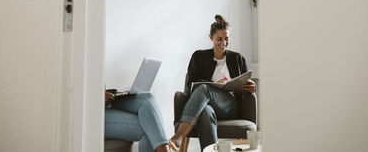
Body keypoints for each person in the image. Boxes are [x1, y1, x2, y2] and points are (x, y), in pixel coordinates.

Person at [169, 15, 255, 151]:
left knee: (204, 88)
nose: (223, 43)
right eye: (219, 39)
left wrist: (250, 88)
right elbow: (191, 83)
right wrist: (215, 83)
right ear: (211, 37)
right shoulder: (198, 56)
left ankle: (178, 137)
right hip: (204, 105)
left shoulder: (238, 58)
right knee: (205, 112)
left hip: (229, 106)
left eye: (227, 39)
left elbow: (244, 83)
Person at [105, 91, 172, 152]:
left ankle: (164, 149)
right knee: (149, 127)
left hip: (108, 97)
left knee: (148, 98)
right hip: (96, 113)